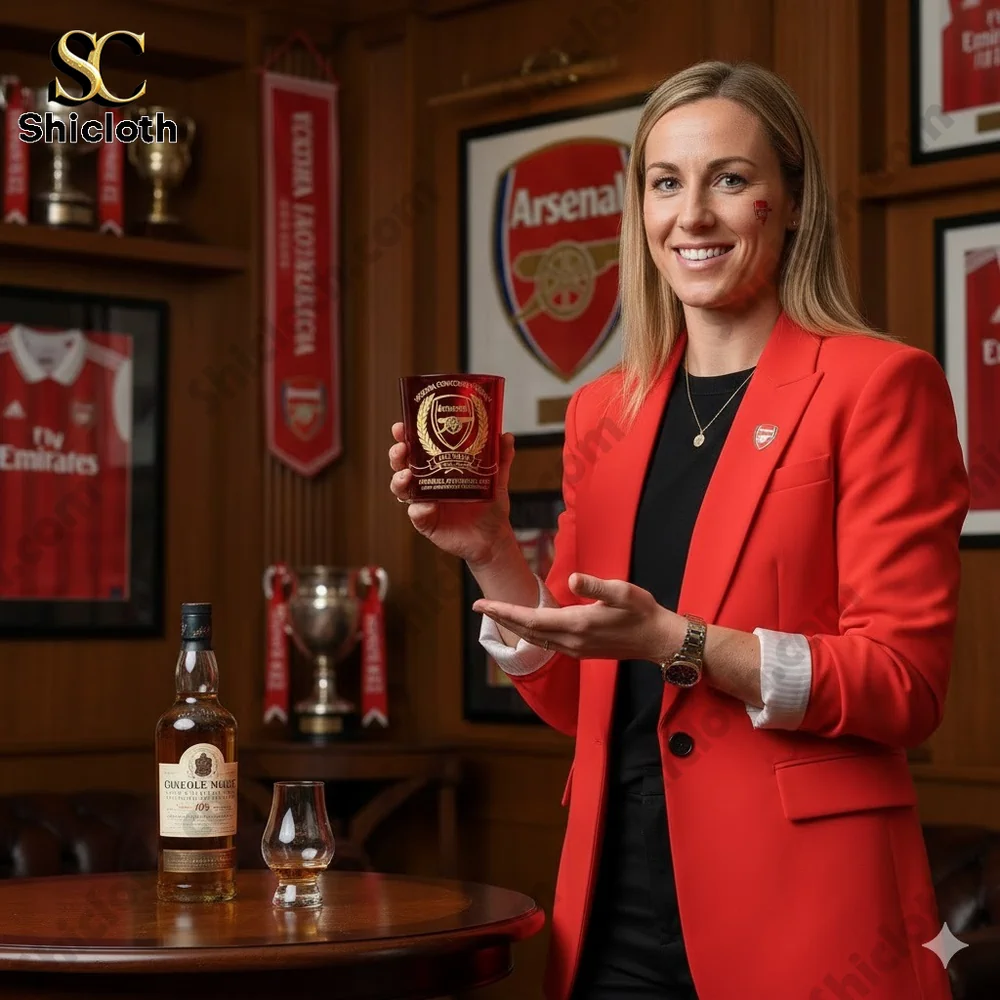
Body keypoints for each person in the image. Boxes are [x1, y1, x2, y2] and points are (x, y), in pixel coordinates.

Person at [388, 60, 970, 1000]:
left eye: (729, 180)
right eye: (665, 183)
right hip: (611, 908)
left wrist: (680, 643)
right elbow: (578, 698)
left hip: (804, 918)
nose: (691, 216)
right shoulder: (603, 411)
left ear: (791, 201)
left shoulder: (879, 386)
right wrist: (490, 551)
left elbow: (904, 685)